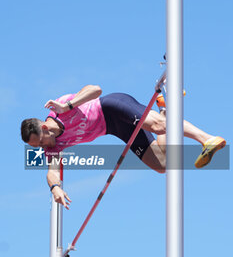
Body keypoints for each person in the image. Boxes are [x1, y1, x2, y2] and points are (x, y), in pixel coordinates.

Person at [21, 84, 226, 209]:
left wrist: (69, 106)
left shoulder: (60, 108)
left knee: (158, 126)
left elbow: (96, 89)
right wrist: (55, 188)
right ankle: (164, 107)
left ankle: (206, 139)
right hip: (114, 129)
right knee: (162, 164)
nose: (41, 148)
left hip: (112, 107)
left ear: (45, 128)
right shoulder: (53, 148)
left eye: (39, 142)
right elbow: (52, 172)